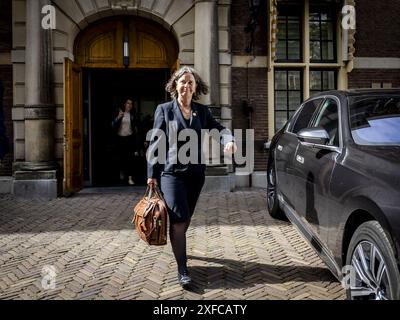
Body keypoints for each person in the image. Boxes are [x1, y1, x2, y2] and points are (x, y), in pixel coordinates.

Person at [147, 66, 237, 289]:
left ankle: (179, 245)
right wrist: (152, 174)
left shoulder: (201, 111)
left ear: (195, 88)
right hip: (171, 173)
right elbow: (156, 141)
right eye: (182, 81)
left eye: (190, 82)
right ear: (175, 85)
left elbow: (217, 128)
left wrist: (228, 140)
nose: (186, 85)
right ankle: (183, 269)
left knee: (184, 219)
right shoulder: (164, 110)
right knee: (178, 220)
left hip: (196, 175)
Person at [111, 99, 138, 185]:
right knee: (121, 158)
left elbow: (136, 128)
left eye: (131, 104)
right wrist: (118, 117)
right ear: (124, 104)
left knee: (130, 159)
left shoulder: (133, 115)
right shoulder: (119, 113)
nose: (129, 105)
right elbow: (112, 126)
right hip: (120, 139)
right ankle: (121, 173)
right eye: (128, 103)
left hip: (129, 139)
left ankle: (130, 178)